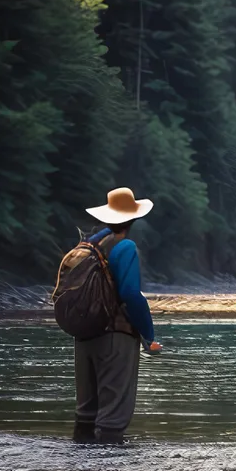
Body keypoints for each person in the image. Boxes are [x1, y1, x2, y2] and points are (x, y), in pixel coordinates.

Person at [73, 187, 162, 444]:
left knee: (86, 413)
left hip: (83, 334)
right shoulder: (125, 247)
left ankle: (80, 466)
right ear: (133, 219)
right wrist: (149, 335)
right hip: (115, 336)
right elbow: (132, 294)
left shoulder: (88, 246)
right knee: (113, 416)